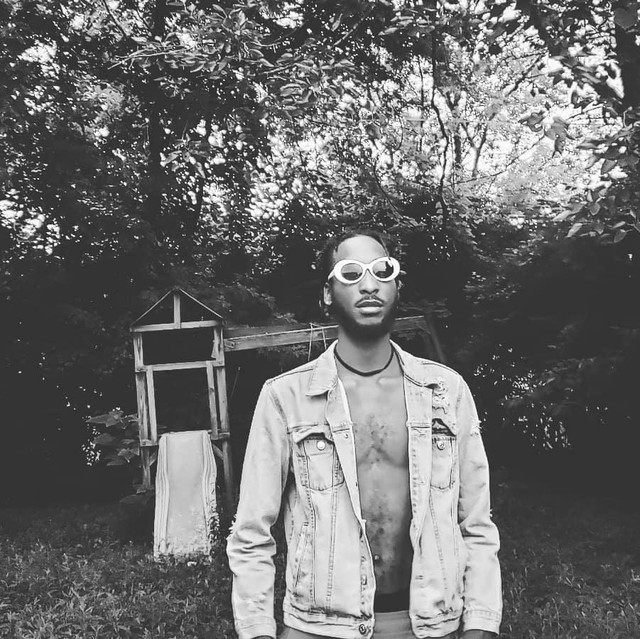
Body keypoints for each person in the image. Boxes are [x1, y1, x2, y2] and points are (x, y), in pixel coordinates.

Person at [227, 229, 502, 639]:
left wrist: (480, 623)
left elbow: (476, 523)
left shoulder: (446, 392)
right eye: (351, 273)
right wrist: (258, 631)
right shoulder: (286, 397)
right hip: (318, 628)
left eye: (381, 271)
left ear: (397, 286)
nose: (369, 284)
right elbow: (251, 532)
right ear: (327, 292)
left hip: (430, 625)